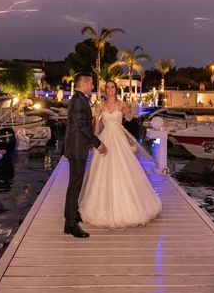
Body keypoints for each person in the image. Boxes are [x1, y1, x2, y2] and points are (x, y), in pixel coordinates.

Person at [79, 80, 162, 229]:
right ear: (105, 90)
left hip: (118, 139)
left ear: (116, 90)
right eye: (108, 88)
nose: (110, 90)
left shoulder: (121, 104)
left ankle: (132, 207)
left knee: (124, 169)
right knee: (100, 172)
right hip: (104, 139)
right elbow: (96, 128)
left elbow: (130, 119)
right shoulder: (100, 106)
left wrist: (128, 111)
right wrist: (94, 141)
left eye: (112, 87)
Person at [63, 72, 106, 238]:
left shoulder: (79, 99)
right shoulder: (79, 101)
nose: (93, 86)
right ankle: (70, 224)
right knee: (75, 186)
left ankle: (72, 215)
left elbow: (79, 126)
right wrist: (97, 143)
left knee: (75, 184)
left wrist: (88, 143)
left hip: (78, 146)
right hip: (76, 149)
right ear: (84, 83)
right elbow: (82, 126)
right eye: (91, 83)